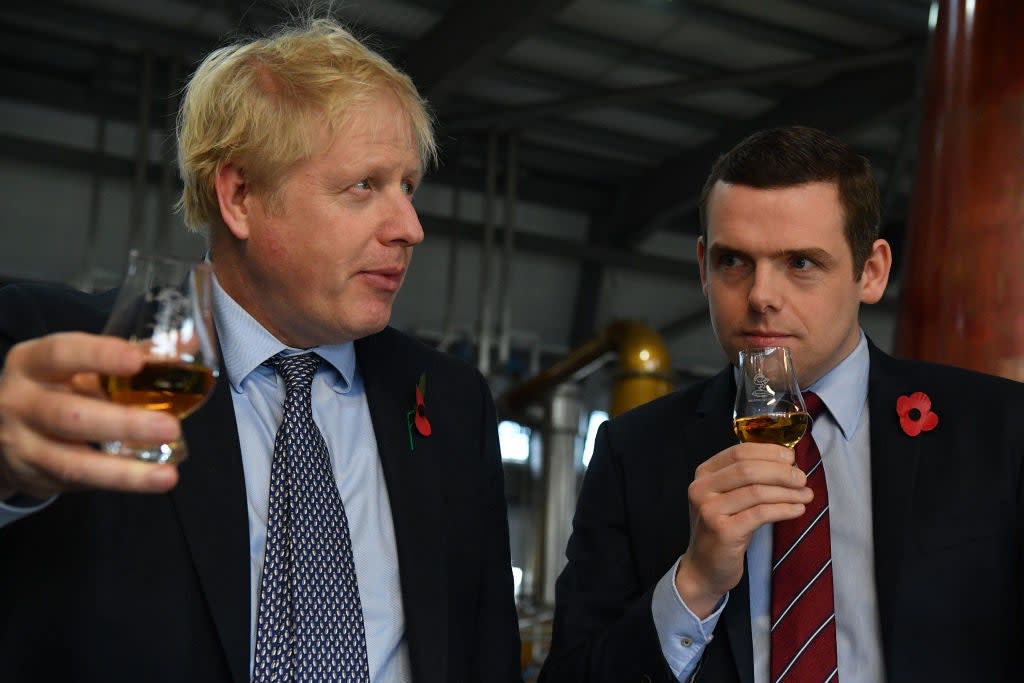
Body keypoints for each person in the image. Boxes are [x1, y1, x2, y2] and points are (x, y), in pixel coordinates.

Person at [0, 17, 521, 683]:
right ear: (241, 196)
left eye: (408, 186)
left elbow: (486, 654)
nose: (410, 228)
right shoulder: (77, 356)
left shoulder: (449, 401)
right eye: (364, 185)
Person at [538, 125, 1023, 682]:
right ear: (702, 267)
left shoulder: (1000, 431)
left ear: (872, 272)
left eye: (800, 263)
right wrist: (693, 584)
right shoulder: (635, 451)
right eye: (733, 262)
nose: (761, 295)